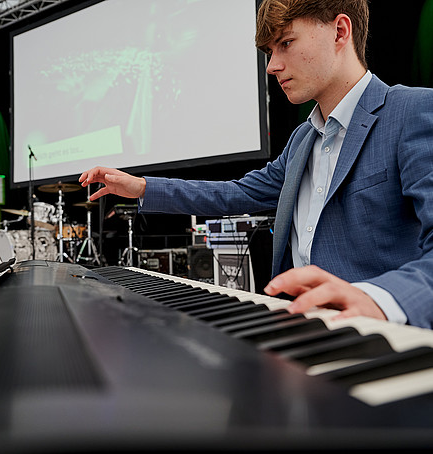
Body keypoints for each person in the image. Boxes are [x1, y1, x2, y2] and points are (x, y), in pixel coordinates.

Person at [79, 0, 433, 329]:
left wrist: (377, 299)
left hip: (378, 335)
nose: (272, 65)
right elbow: (234, 194)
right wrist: (141, 187)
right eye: (269, 51)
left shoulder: (411, 112)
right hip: (300, 327)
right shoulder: (301, 140)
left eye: (287, 43)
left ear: (340, 31)